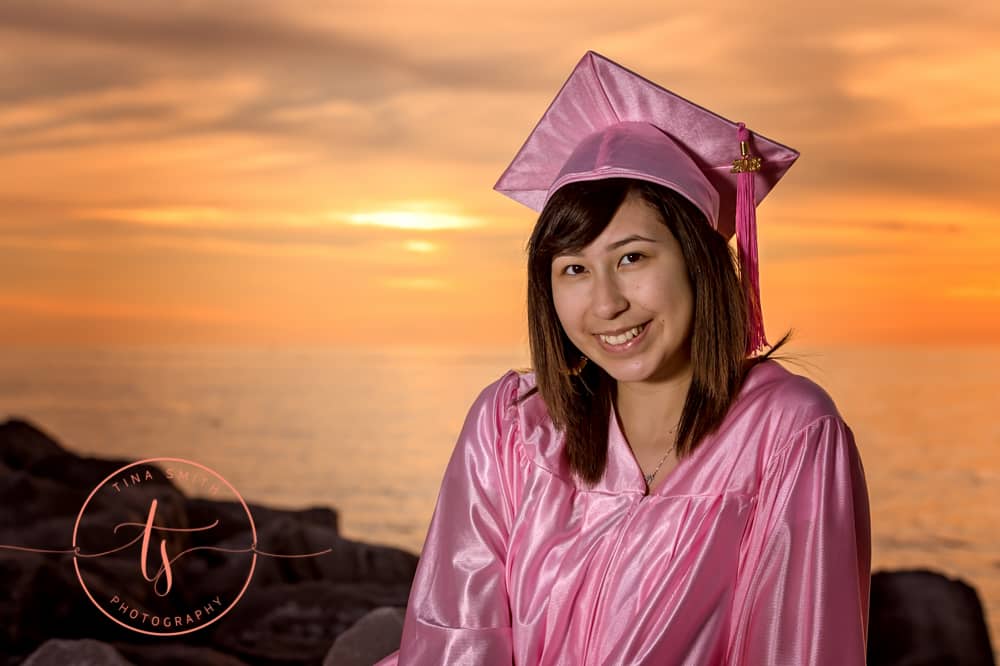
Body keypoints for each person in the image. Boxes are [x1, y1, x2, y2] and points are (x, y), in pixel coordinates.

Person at [374, 51, 870, 665]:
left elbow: (796, 649)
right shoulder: (514, 424)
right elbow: (455, 636)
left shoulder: (787, 431)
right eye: (574, 269)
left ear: (698, 260)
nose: (605, 303)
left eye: (632, 257)